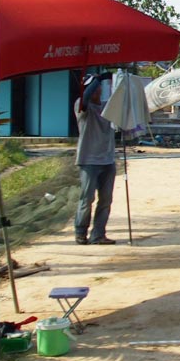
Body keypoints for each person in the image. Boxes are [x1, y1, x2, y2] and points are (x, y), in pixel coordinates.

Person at [74, 73, 117, 245]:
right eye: (92, 87)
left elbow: (122, 104)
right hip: (89, 160)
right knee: (87, 199)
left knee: (106, 200)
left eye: (97, 86)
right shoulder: (82, 107)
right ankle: (80, 232)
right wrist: (99, 78)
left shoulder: (108, 108)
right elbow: (84, 98)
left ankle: (98, 234)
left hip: (107, 160)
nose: (95, 90)